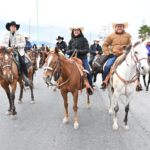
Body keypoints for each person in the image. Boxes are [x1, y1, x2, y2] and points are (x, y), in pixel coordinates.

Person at [100, 20, 142, 91]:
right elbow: (104, 45)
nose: (119, 28)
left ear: (123, 27)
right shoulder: (111, 36)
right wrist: (108, 54)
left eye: (121, 26)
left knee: (136, 66)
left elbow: (131, 44)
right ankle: (105, 82)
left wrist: (127, 49)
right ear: (115, 27)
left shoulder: (128, 35)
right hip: (114, 55)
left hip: (125, 55)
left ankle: (138, 84)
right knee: (107, 66)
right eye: (118, 26)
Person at [1, 21, 32, 86]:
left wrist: (15, 45)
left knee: (23, 63)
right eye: (12, 26)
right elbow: (3, 43)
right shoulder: (6, 34)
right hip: (8, 51)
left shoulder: (20, 34)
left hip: (19, 51)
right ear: (9, 27)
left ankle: (26, 78)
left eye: (14, 26)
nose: (13, 27)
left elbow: (23, 43)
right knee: (2, 61)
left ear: (16, 28)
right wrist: (8, 47)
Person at [66, 25, 93, 95]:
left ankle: (90, 87)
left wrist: (79, 51)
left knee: (88, 72)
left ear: (80, 31)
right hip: (72, 58)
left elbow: (87, 50)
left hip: (82, 58)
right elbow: (67, 51)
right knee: (63, 68)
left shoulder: (84, 39)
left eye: (77, 30)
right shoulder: (71, 40)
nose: (76, 31)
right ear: (73, 32)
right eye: (75, 30)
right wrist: (72, 51)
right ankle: (60, 83)